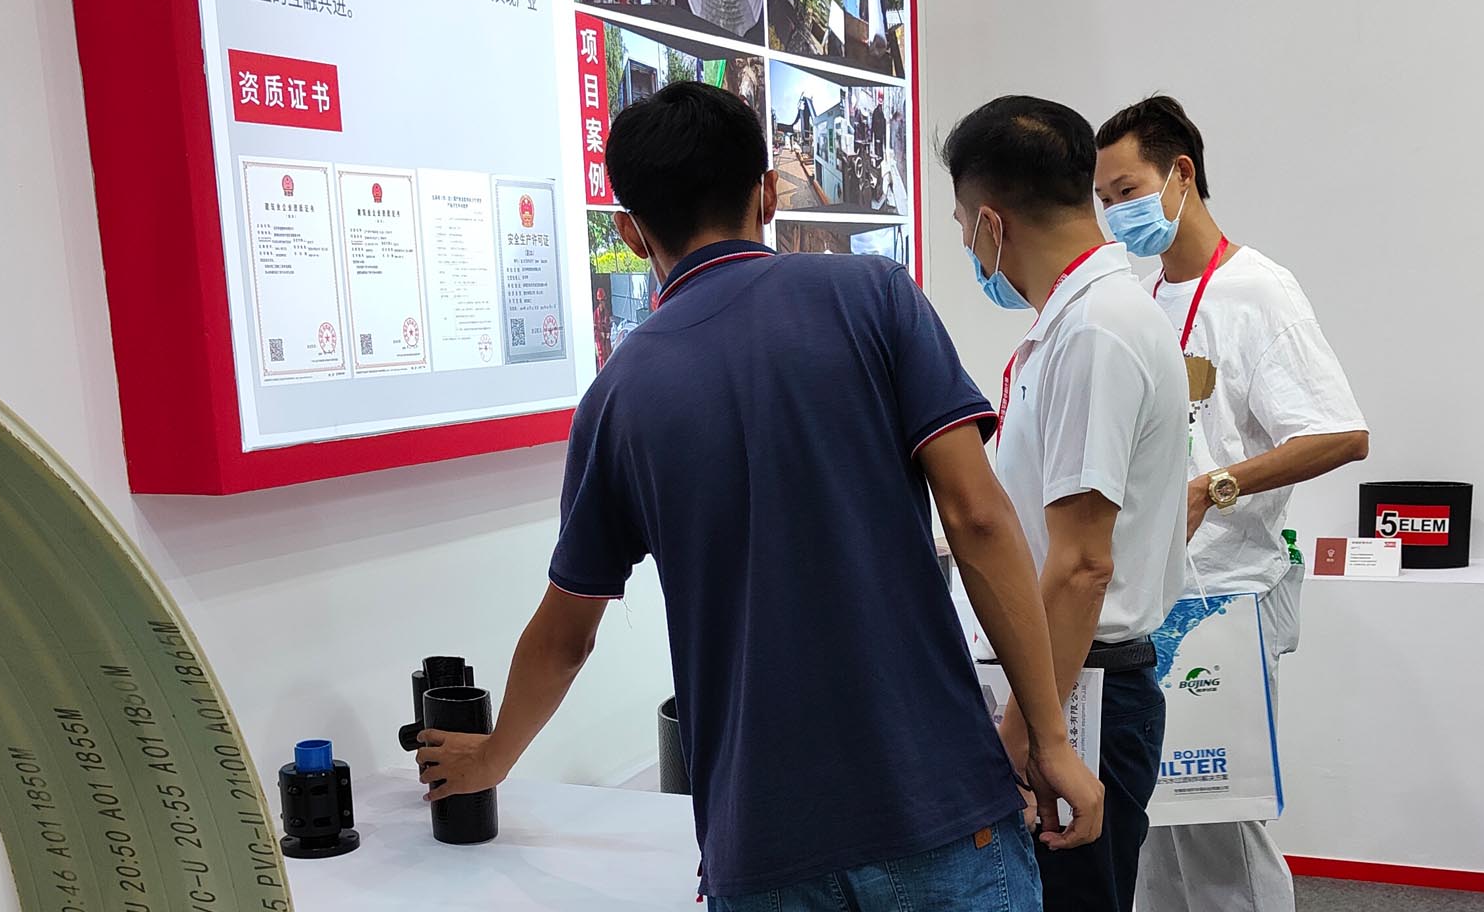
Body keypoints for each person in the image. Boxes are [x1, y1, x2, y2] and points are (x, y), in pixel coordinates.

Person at [417, 82, 1106, 909]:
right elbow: (979, 518)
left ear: (631, 232)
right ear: (769, 194)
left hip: (763, 843)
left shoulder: (618, 397)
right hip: (938, 807)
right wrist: (1049, 739)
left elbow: (566, 636)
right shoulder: (874, 296)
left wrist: (492, 758)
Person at [1093, 95, 1369, 912]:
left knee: (1220, 826)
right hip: (1152, 601)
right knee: (1153, 828)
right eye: (1103, 199)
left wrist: (1215, 488)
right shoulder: (1145, 298)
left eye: (1127, 191)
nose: (1115, 214)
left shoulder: (1257, 291)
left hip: (1227, 600)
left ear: (1181, 174)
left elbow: (1341, 433)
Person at [941, 96, 1191, 912]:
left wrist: (1024, 737)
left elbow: (1082, 567)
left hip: (1080, 694)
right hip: (1067, 685)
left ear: (990, 222)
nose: (967, 246)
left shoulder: (1096, 332)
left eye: (961, 226)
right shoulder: (1083, 319)